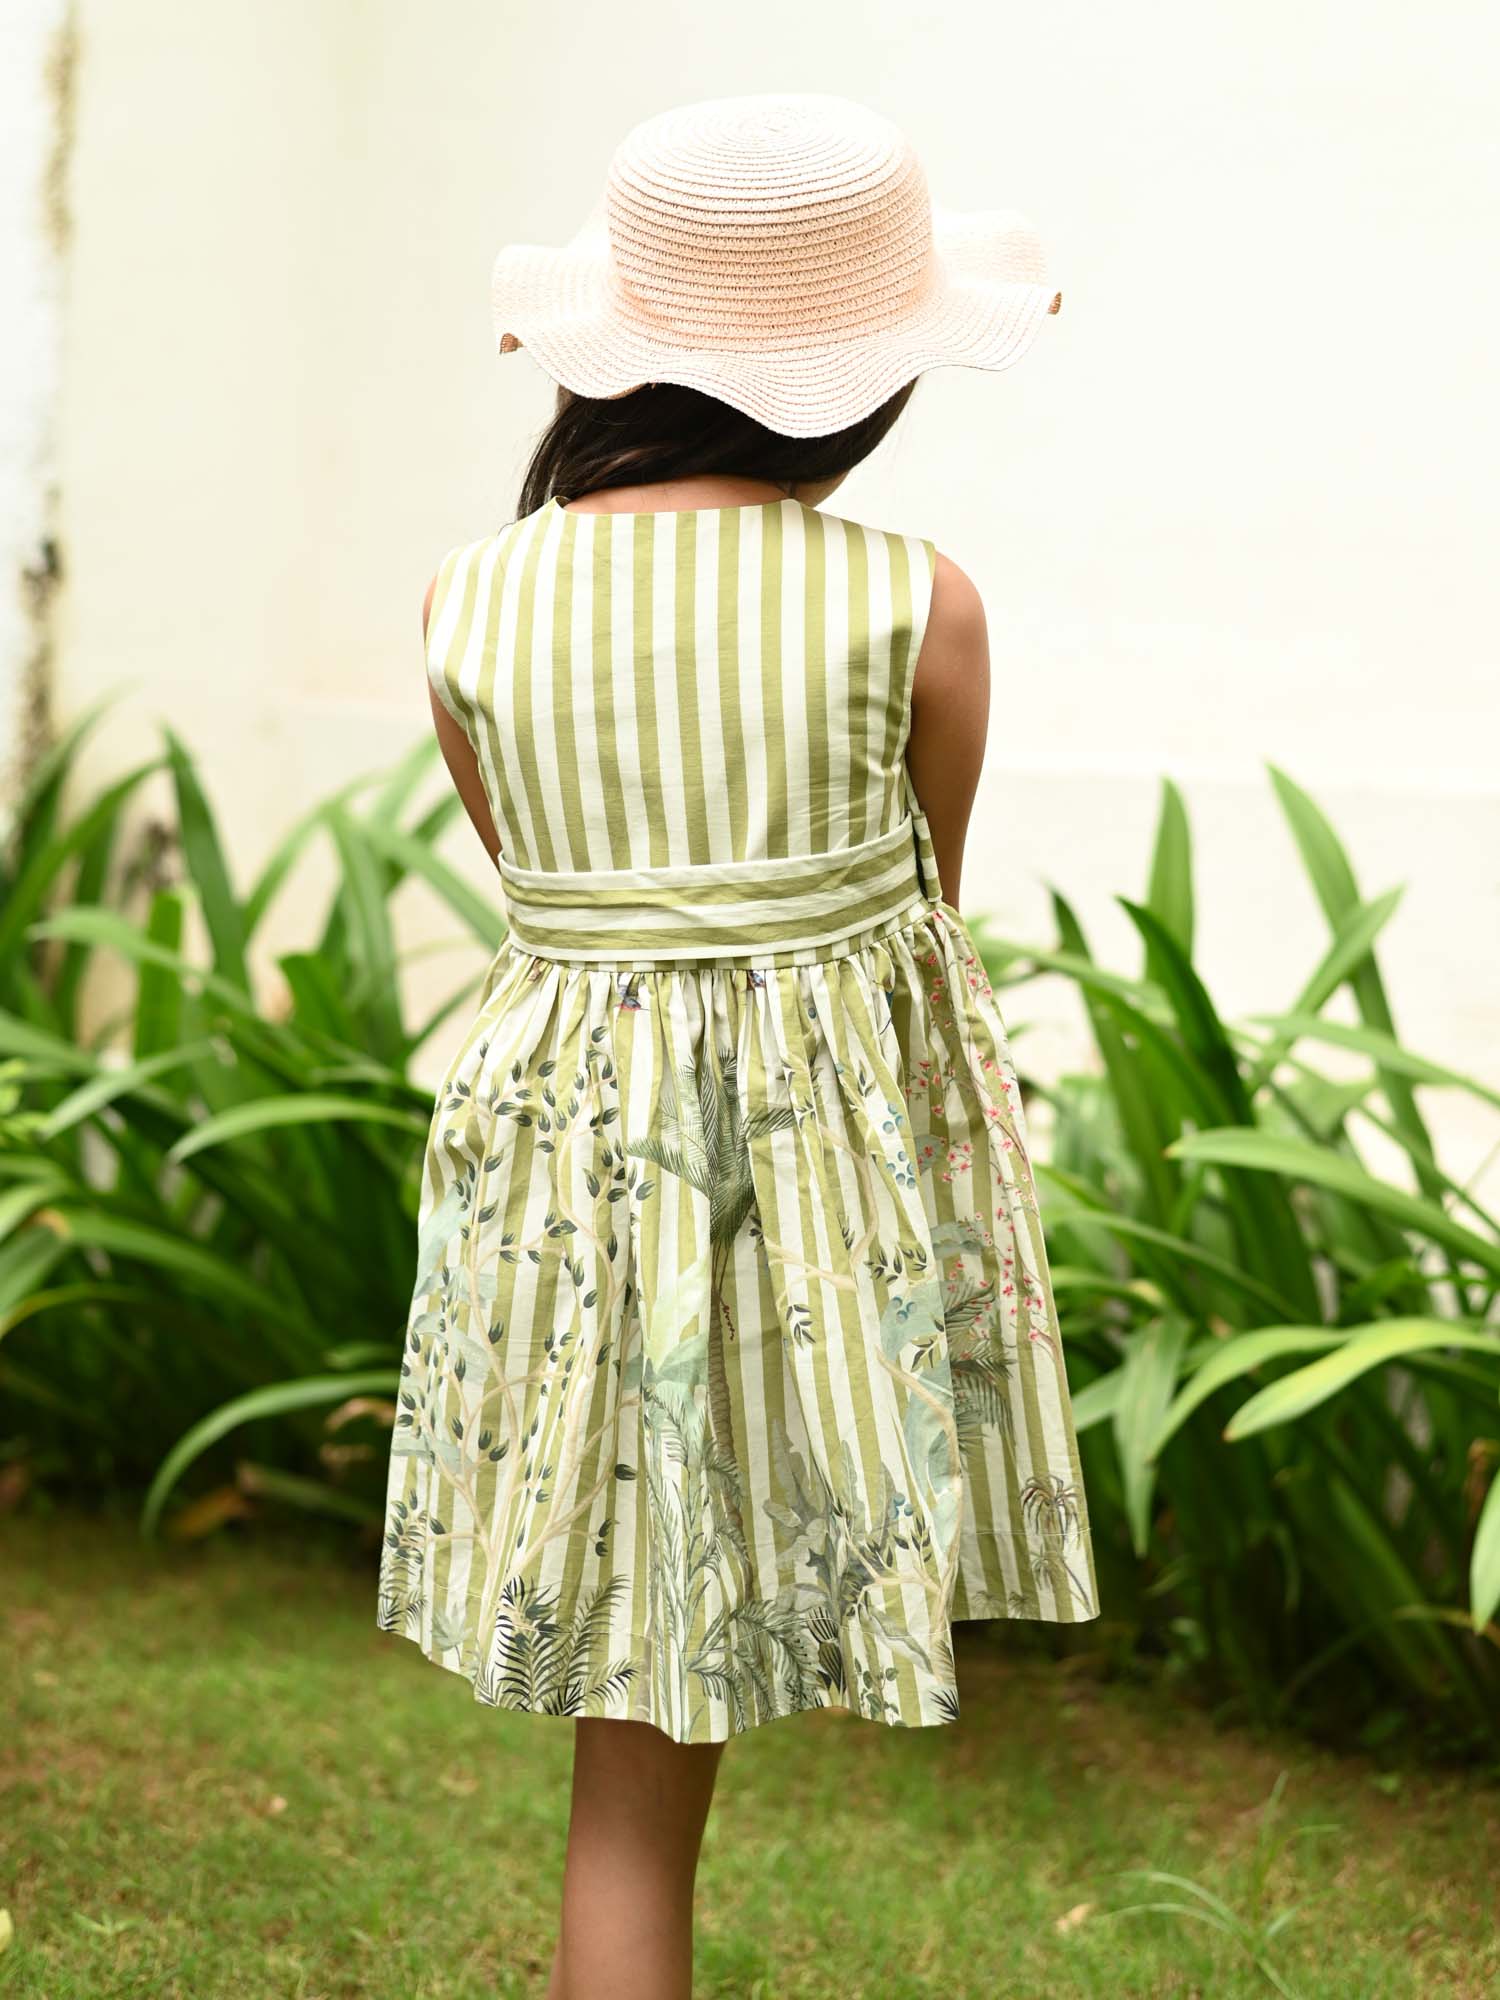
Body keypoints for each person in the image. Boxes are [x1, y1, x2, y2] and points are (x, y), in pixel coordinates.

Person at [376, 91, 1097, 2000]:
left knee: (636, 1741)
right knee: (660, 1744)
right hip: (815, 1228)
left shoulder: (472, 601)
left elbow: (557, 894)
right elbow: (910, 910)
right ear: (854, 385)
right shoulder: (914, 603)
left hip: (576, 1200)